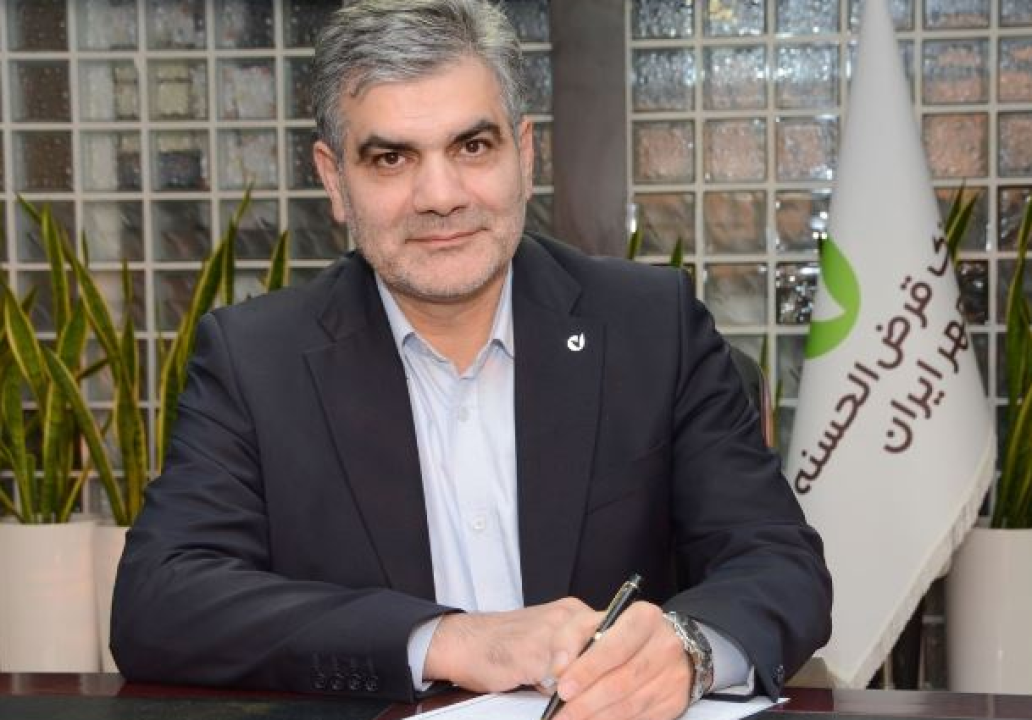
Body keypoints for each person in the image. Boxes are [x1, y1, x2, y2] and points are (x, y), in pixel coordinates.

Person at [111, 2, 832, 718]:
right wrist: (449, 640)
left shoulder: (651, 327)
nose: (441, 197)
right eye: (391, 159)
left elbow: (778, 563)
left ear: (525, 153)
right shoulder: (256, 361)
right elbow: (159, 601)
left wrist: (687, 651)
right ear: (334, 180)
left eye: (473, 147)